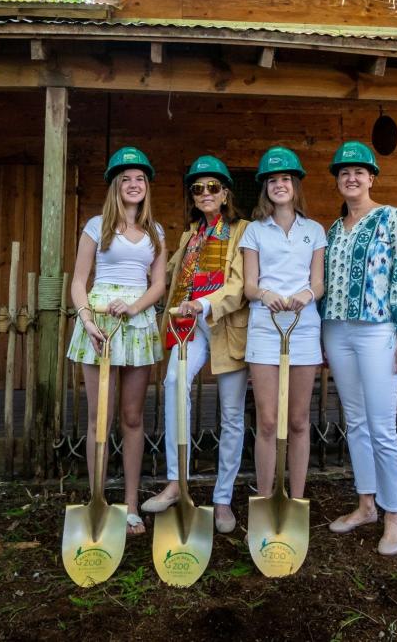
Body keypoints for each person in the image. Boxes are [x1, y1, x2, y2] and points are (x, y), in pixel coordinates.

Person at [320, 140, 397, 556]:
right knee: (357, 422)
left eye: (359, 171)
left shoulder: (390, 218)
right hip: (337, 331)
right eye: (344, 172)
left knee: (382, 426)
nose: (351, 177)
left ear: (371, 177)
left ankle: (395, 515)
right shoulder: (332, 229)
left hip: (377, 330)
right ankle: (366, 505)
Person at [141, 156, 251, 534]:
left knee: (232, 413)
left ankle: (222, 499)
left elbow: (238, 285)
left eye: (213, 188)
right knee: (174, 384)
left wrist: (203, 303)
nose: (205, 194)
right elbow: (167, 273)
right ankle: (177, 482)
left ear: (225, 194)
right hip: (189, 324)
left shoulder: (242, 231)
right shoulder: (191, 236)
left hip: (225, 324)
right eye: (198, 188)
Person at [66, 146, 167, 536]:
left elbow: (158, 284)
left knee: (131, 417)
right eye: (125, 178)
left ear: (146, 186)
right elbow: (78, 281)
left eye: (139, 178)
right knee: (99, 418)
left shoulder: (155, 232)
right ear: (115, 185)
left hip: (137, 324)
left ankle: (128, 504)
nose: (133, 184)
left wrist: (136, 305)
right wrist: (87, 319)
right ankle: (97, 501)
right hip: (100, 325)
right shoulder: (97, 226)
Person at [239, 146, 326, 504]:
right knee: (269, 421)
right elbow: (247, 285)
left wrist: (308, 294)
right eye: (272, 180)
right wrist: (265, 293)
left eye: (285, 179)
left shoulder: (315, 230)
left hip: (303, 329)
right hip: (265, 326)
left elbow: (319, 283)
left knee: (299, 420)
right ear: (265, 188)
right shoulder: (255, 231)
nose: (279, 185)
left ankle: (296, 499)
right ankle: (266, 498)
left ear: (295, 185)